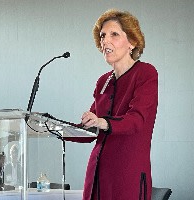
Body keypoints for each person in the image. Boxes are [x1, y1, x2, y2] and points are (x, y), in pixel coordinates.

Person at [69, 9, 158, 200]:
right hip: (97, 174)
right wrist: (54, 129)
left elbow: (136, 121)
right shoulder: (103, 81)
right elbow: (90, 130)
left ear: (132, 42)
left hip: (127, 175)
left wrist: (102, 122)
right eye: (102, 36)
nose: (105, 41)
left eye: (114, 34)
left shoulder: (145, 73)